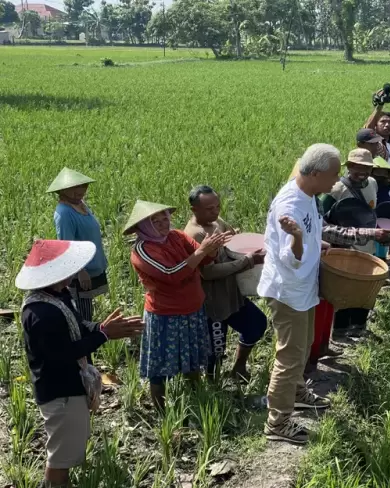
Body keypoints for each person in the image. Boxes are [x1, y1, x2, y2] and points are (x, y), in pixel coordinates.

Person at [17, 239, 144, 488]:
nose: (71, 275)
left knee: (67, 446)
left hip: (70, 386)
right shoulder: (40, 314)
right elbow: (63, 355)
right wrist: (104, 335)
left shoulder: (58, 295)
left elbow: (77, 325)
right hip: (59, 392)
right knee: (60, 457)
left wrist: (100, 328)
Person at [258, 143, 342, 444]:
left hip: (304, 286)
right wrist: (296, 238)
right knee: (290, 356)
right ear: (317, 173)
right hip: (289, 290)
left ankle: (296, 392)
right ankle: (277, 423)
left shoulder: (308, 194)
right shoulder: (289, 205)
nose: (337, 180)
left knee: (304, 344)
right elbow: (289, 256)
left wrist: (313, 242)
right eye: (334, 174)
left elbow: (307, 233)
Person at [124, 200, 230, 411]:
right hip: (166, 315)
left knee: (192, 358)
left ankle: (197, 399)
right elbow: (171, 274)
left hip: (192, 308)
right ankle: (161, 410)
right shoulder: (142, 250)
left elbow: (203, 260)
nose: (164, 223)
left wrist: (212, 248)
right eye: (156, 221)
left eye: (165, 218)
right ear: (143, 226)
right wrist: (202, 252)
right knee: (160, 366)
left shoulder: (176, 236)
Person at [183, 185, 267, 382]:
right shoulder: (194, 235)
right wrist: (246, 261)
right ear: (194, 210)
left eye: (217, 206)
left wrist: (236, 238)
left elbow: (231, 236)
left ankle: (239, 367)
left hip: (231, 294)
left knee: (256, 324)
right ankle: (213, 387)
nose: (215, 211)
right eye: (209, 209)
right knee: (216, 349)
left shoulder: (216, 222)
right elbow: (207, 272)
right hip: (213, 301)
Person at [321, 149, 390, 334]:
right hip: (343, 246)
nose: (361, 172)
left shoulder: (372, 184)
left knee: (364, 287)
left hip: (367, 245)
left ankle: (358, 327)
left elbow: (372, 214)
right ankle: (340, 329)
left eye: (366, 168)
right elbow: (321, 218)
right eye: (357, 167)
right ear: (350, 166)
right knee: (345, 289)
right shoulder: (336, 188)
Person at [47, 168, 109, 322]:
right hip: (81, 270)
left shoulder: (81, 204)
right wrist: (80, 271)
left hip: (93, 263)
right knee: (82, 313)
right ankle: (83, 340)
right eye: (74, 188)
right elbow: (67, 244)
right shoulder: (64, 213)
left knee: (87, 307)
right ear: (63, 190)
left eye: (83, 186)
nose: (80, 191)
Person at [364, 99, 390, 201]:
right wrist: (379, 107)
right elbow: (367, 129)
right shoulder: (376, 144)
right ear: (375, 126)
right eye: (383, 122)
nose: (387, 125)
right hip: (377, 192)